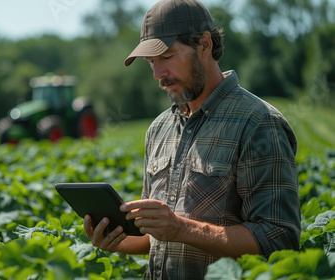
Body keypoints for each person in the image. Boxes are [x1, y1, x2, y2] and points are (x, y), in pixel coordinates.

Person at [83, 0, 301, 279]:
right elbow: (156, 239)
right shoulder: (159, 128)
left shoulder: (258, 123)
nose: (157, 74)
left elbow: (279, 239)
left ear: (205, 45)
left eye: (167, 56)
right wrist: (116, 240)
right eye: (151, 62)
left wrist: (181, 228)